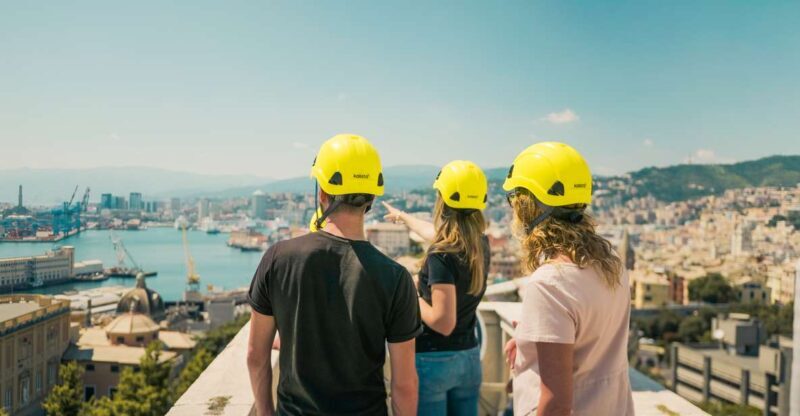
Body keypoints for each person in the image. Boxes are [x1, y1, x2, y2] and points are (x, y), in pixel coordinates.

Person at [246, 134, 422, 416]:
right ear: (372, 197)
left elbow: (256, 356)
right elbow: (405, 384)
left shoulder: (278, 259)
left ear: (321, 192)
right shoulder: (396, 277)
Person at [503, 142, 634, 416]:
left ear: (528, 206)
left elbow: (557, 405)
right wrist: (530, 338)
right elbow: (591, 339)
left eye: (515, 198)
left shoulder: (549, 284)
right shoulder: (612, 267)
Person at [383, 160, 489, 416]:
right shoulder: (479, 245)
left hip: (434, 360)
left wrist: (411, 289)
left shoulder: (441, 255)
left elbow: (443, 322)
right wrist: (405, 217)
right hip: (468, 358)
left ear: (441, 200)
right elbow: (440, 235)